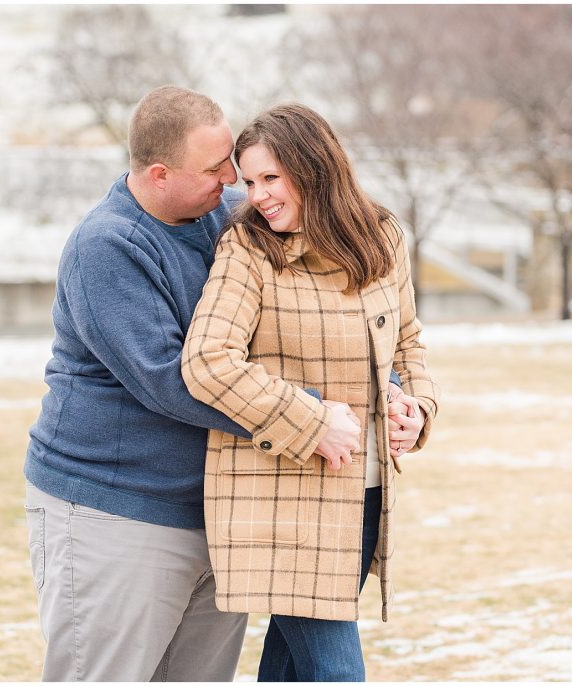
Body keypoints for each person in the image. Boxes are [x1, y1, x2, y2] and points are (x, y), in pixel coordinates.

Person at [21, 86, 385, 681]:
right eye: (216, 170)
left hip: (217, 508)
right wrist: (312, 418)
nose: (235, 182)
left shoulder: (225, 221)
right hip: (114, 511)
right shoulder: (107, 247)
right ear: (160, 174)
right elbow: (173, 379)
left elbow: (304, 314)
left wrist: (389, 386)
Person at [182, 103, 439, 682]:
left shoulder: (383, 237)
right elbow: (206, 361)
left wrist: (417, 410)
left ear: (315, 168)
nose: (259, 195)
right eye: (249, 182)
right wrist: (311, 419)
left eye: (271, 178)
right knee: (336, 671)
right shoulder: (248, 249)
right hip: (279, 497)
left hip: (366, 489)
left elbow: (406, 341)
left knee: (293, 665)